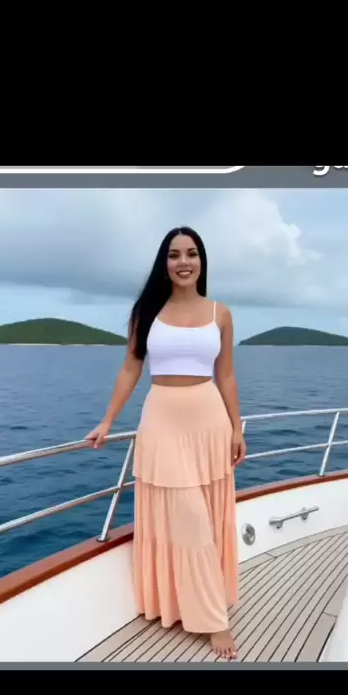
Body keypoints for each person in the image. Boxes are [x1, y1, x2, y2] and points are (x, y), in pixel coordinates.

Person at [86, 227, 246, 660]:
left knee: (206, 517)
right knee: (189, 517)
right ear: (164, 263)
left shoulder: (221, 313)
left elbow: (226, 374)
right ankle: (213, 620)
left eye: (191, 254)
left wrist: (237, 427)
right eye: (174, 255)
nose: (183, 262)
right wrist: (107, 420)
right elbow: (130, 368)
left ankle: (199, 601)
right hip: (162, 421)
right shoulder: (147, 312)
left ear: (201, 261)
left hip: (209, 421)